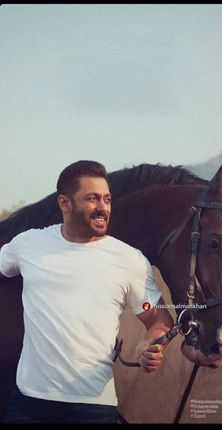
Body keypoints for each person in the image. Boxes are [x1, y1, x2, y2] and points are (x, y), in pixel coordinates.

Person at [0, 160, 173, 424]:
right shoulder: (28, 244)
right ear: (65, 203)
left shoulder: (129, 260)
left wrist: (149, 343)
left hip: (92, 407)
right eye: (92, 198)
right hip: (27, 405)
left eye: (107, 198)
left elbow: (158, 319)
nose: (103, 207)